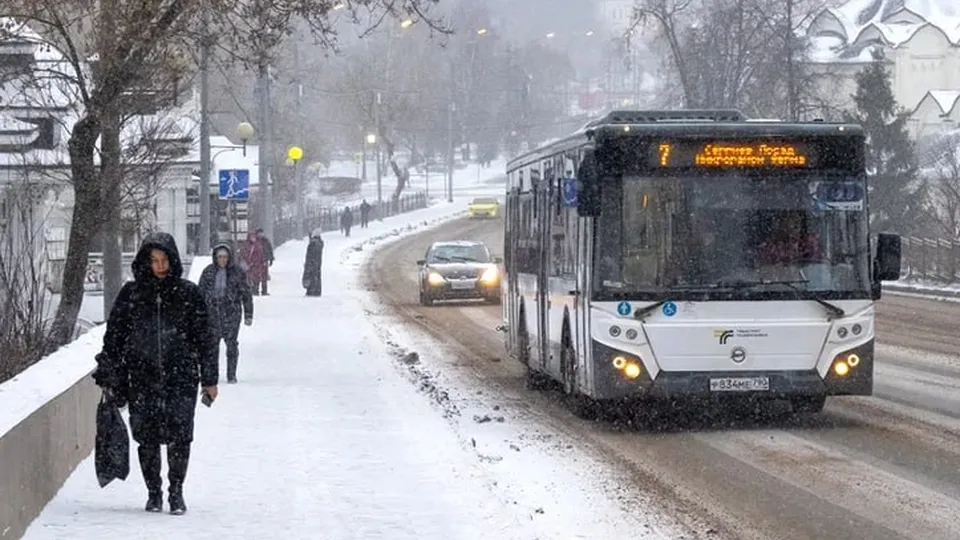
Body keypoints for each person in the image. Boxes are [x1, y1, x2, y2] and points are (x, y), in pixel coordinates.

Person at [92, 232, 217, 516]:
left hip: (181, 377)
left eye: (164, 260)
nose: (160, 267)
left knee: (180, 437)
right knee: (146, 438)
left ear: (173, 261)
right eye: (154, 261)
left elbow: (205, 339)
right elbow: (114, 337)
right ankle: (153, 492)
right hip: (143, 378)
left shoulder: (188, 294)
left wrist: (210, 379)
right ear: (145, 263)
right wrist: (109, 372)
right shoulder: (131, 295)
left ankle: (176, 491)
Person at [198, 243, 253, 383]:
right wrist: (198, 313)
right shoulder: (208, 272)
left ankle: (231, 374)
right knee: (212, 347)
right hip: (212, 314)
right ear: (215, 258)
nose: (222, 260)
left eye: (225, 257)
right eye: (220, 257)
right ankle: (212, 375)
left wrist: (248, 314)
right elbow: (200, 294)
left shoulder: (237, 272)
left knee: (232, 345)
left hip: (231, 314)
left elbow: (246, 294)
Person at [757, 213, 824, 266]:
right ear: (777, 222)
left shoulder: (810, 243)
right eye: (790, 216)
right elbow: (763, 270)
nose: (797, 219)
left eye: (799, 216)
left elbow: (821, 266)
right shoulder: (768, 247)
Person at [241, 230, 269, 295]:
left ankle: (257, 290)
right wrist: (249, 262)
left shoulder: (258, 245)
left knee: (257, 278)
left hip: (258, 264)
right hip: (251, 264)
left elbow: (262, 254)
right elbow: (244, 255)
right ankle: (253, 290)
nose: (253, 238)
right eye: (251, 237)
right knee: (251, 278)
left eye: (253, 236)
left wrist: (264, 260)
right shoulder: (247, 245)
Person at [302, 228, 324, 297]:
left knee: (311, 275)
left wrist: (308, 264)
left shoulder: (313, 244)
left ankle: (311, 290)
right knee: (316, 275)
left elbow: (310, 255)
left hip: (312, 263)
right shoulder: (319, 243)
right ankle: (317, 290)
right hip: (317, 263)